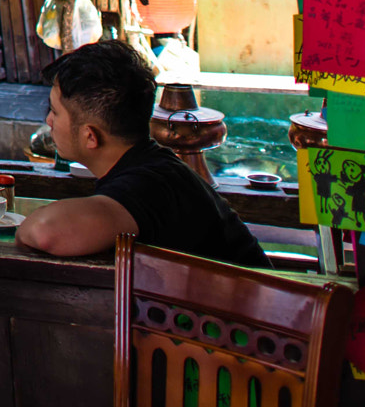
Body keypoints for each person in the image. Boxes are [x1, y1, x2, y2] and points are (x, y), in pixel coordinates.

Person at [16, 40, 268, 267]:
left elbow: (43, 231)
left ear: (90, 136)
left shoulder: (147, 185)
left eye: (55, 111)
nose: (48, 120)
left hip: (254, 317)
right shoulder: (153, 166)